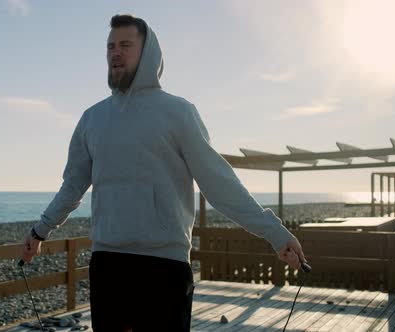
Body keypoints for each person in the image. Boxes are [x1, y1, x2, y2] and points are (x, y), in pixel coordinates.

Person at [21, 14, 307, 332]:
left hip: (165, 266)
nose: (116, 52)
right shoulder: (93, 118)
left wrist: (276, 233)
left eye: (126, 45)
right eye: (111, 46)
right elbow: (72, 187)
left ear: (148, 53)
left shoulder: (178, 112)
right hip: (108, 264)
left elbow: (219, 183)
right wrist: (39, 232)